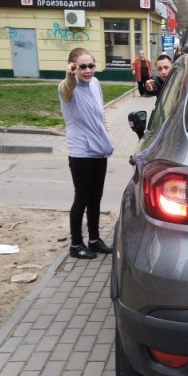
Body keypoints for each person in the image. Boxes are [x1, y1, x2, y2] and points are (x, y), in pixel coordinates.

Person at [59, 48, 114, 260]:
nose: (88, 70)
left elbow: (100, 113)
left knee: (96, 197)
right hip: (81, 152)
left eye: (91, 65)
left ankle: (94, 239)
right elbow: (68, 85)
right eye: (82, 66)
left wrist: (107, 136)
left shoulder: (95, 83)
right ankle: (75, 243)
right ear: (73, 67)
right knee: (81, 198)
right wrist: (70, 75)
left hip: (99, 149)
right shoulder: (67, 89)